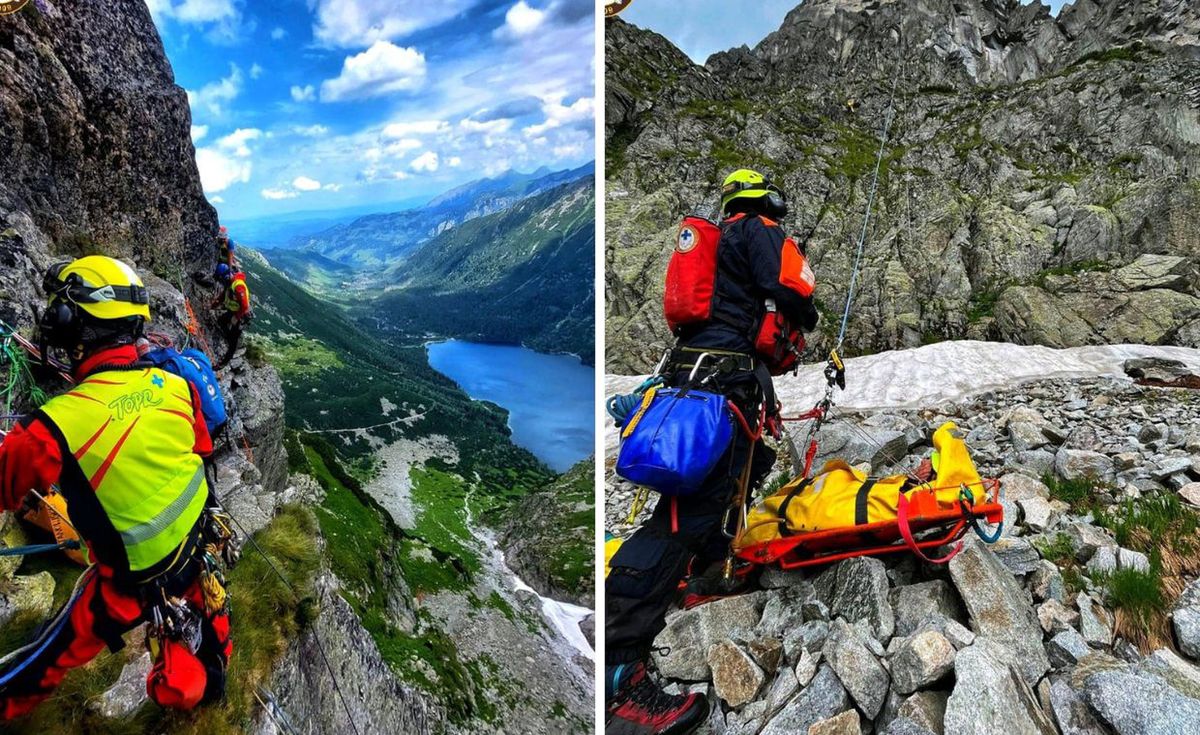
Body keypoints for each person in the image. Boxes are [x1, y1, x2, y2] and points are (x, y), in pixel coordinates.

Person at [606, 169, 819, 735]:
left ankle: (703, 571)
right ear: (762, 196)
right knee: (681, 516)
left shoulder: (718, 243)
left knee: (735, 481)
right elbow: (797, 290)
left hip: (697, 382)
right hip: (724, 389)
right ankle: (618, 666)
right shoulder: (759, 229)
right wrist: (805, 320)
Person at [0, 256, 234, 720]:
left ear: (73, 325)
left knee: (37, 666)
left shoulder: (53, 427)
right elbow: (200, 451)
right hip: (195, 559)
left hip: (123, 591)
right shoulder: (175, 385)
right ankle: (204, 683)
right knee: (203, 671)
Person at [212, 263, 251, 369]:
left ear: (225, 276)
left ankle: (224, 362)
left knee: (233, 340)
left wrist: (236, 318)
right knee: (221, 321)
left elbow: (244, 306)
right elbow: (222, 296)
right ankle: (227, 336)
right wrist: (213, 306)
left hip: (241, 315)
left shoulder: (238, 286)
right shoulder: (230, 284)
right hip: (233, 311)